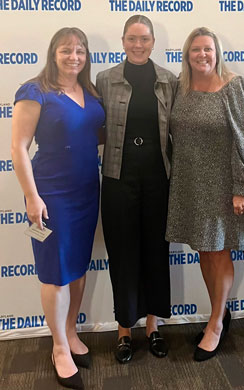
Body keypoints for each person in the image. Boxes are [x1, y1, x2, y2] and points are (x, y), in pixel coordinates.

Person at [11, 27, 105, 389]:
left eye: (80, 51)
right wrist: (32, 198)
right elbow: (19, 148)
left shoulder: (90, 91)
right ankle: (59, 347)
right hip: (49, 195)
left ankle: (70, 329)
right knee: (55, 271)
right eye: (67, 50)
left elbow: (95, 134)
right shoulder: (35, 91)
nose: (74, 57)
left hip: (86, 191)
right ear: (54, 53)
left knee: (78, 267)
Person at [166, 27, 244, 362]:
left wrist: (242, 188)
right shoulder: (182, 86)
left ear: (217, 52)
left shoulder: (234, 87)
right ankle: (217, 314)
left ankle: (216, 323)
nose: (202, 55)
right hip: (190, 184)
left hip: (223, 187)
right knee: (205, 252)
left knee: (219, 253)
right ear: (187, 54)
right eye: (195, 50)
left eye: (207, 49)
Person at [96, 15, 177, 363]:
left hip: (159, 178)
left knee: (156, 252)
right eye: (132, 39)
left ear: (154, 42)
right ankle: (125, 329)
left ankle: (153, 327)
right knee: (123, 253)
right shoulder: (105, 79)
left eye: (144, 39)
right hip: (117, 178)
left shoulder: (169, 80)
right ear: (123, 40)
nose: (138, 45)